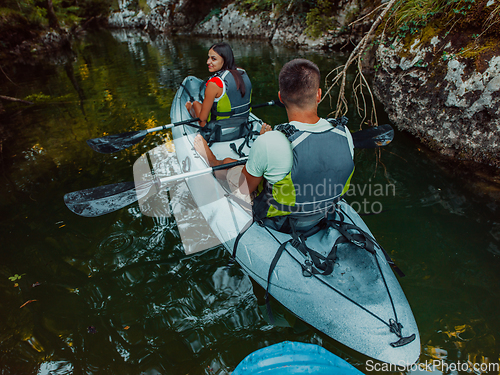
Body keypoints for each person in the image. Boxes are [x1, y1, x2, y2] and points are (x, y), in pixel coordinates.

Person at [195, 58, 355, 233]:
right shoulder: (344, 133)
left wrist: (264, 145)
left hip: (283, 221)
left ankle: (209, 158)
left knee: (227, 162)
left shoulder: (269, 142)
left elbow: (245, 189)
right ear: (318, 94)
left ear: (280, 97)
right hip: (323, 213)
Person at [186, 42, 253, 142]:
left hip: (218, 132)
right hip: (243, 128)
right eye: (208, 58)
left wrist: (194, 109)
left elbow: (203, 118)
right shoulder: (243, 73)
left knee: (195, 104)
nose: (208, 62)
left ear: (224, 59)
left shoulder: (214, 83)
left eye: (213, 59)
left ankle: (189, 108)